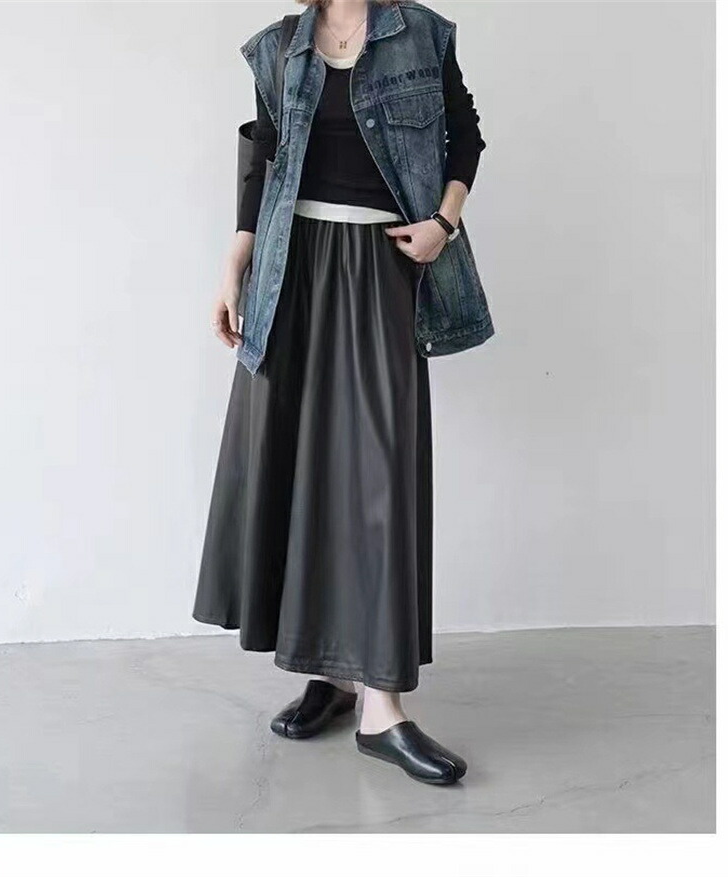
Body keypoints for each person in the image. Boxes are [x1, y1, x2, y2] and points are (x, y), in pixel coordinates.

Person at [192, 0, 493, 785]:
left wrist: (444, 223)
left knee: (378, 475)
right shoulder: (279, 47)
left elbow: (465, 136)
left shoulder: (422, 34)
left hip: (379, 267)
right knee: (302, 468)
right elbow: (264, 160)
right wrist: (233, 268)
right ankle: (330, 674)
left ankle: (382, 706)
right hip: (289, 271)